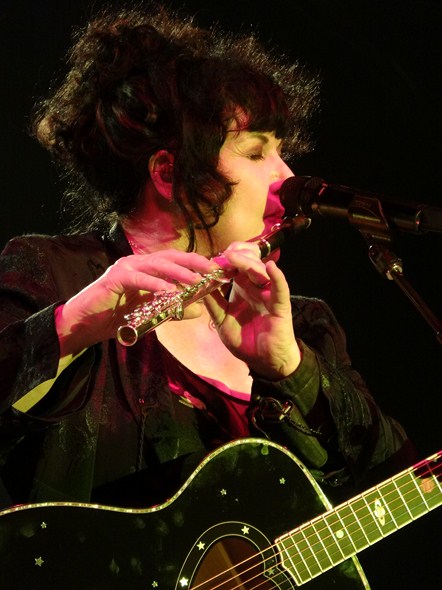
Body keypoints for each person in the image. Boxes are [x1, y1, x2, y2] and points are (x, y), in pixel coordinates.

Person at [0, 5, 414, 516]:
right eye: (256, 152)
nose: (287, 177)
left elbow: (399, 490)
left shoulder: (306, 326)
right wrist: (72, 327)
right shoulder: (54, 274)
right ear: (168, 173)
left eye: (281, 152)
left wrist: (293, 369)